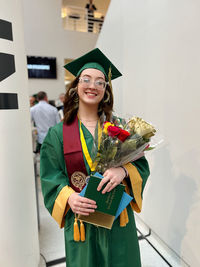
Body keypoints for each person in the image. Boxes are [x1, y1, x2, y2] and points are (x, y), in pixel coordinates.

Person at [40, 48, 150, 267]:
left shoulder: (119, 127)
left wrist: (124, 170)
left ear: (106, 91)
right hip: (82, 222)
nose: (93, 86)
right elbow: (51, 176)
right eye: (86, 79)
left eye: (100, 82)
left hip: (119, 219)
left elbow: (141, 164)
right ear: (76, 86)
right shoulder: (57, 133)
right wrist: (69, 198)